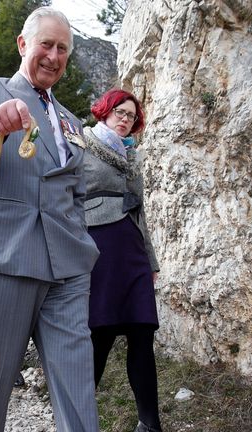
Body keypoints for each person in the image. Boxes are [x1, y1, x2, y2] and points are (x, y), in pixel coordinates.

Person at [0, 7, 100, 432]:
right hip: (5, 255)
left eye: (62, 49)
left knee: (77, 383)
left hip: (67, 266)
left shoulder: (72, 121)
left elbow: (77, 192)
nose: (53, 56)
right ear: (23, 45)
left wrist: (83, 245)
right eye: (46, 45)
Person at [83, 89, 162, 432]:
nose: (126, 120)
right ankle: (79, 419)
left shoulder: (134, 157)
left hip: (133, 252)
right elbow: (69, 198)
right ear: (105, 111)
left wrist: (152, 261)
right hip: (99, 248)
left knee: (143, 335)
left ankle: (150, 423)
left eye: (131, 116)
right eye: (120, 112)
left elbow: (139, 210)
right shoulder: (82, 145)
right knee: (99, 336)